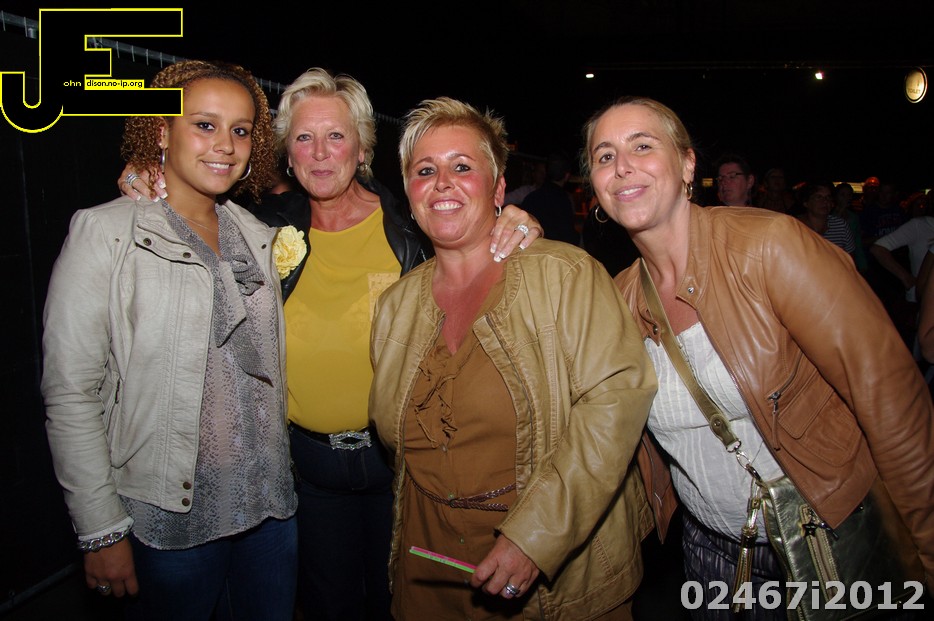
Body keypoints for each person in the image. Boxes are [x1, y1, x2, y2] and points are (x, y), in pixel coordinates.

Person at [119, 66, 541, 621]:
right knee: (328, 605)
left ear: (362, 148)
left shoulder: (414, 226)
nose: (319, 153)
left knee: (403, 602)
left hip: (404, 468)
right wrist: (148, 176)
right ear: (286, 156)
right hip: (309, 472)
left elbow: (472, 234)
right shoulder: (258, 231)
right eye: (303, 138)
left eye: (336, 136)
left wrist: (515, 222)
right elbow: (190, 205)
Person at [581, 95, 934, 619]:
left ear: (687, 164)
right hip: (710, 553)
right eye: (605, 156)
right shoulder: (620, 300)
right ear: (594, 184)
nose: (622, 166)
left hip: (827, 541)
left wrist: (928, 552)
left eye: (643, 146)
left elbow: (891, 399)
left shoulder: (770, 246)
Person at [368, 97, 657, 620]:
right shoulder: (394, 308)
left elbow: (614, 406)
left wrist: (536, 538)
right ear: (408, 192)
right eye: (425, 171)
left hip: (554, 579)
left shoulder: (566, 276)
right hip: (427, 572)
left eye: (462, 167)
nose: (442, 183)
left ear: (498, 189)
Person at [41, 60, 297, 620]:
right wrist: (101, 530)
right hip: (170, 523)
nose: (225, 145)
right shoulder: (107, 234)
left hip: (270, 511)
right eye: (204, 125)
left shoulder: (257, 237)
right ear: (161, 131)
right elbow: (71, 393)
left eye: (240, 130)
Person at [519, 151, 580, 245]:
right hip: (555, 251)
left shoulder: (531, 197)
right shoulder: (563, 200)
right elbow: (568, 237)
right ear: (567, 176)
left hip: (531, 250)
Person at [795, 180, 856, 258]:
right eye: (819, 197)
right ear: (806, 202)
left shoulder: (841, 226)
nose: (825, 201)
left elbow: (850, 259)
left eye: (828, 197)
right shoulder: (795, 226)